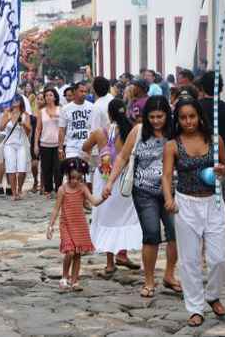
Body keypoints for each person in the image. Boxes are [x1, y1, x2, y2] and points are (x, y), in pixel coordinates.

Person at [162, 98, 225, 327]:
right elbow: (167, 175)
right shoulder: (172, 145)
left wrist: (222, 170)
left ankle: (212, 295)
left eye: (192, 116)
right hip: (186, 204)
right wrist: (169, 199)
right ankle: (195, 307)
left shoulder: (215, 140)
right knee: (189, 260)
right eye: (183, 117)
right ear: (178, 120)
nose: (188, 121)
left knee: (218, 257)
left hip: (214, 203)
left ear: (200, 116)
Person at [104, 96, 179, 298]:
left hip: (171, 190)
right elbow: (122, 157)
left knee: (175, 232)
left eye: (160, 116)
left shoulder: (174, 132)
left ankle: (170, 275)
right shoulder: (138, 131)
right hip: (143, 190)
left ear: (167, 115)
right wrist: (110, 181)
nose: (156, 121)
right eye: (152, 117)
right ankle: (149, 280)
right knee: (151, 233)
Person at [83, 99, 141, 277]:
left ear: (109, 114)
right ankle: (122, 254)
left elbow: (84, 148)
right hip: (125, 178)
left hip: (105, 178)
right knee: (123, 217)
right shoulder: (131, 131)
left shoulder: (100, 132)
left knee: (107, 218)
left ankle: (109, 262)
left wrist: (99, 157)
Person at [46, 157, 105, 291]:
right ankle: (64, 277)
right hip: (66, 224)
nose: (75, 181)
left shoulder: (83, 188)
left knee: (78, 254)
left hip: (79, 224)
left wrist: (104, 196)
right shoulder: (62, 189)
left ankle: (75, 280)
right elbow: (56, 208)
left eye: (79, 178)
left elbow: (94, 202)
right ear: (67, 175)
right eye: (72, 178)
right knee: (70, 252)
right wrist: (50, 226)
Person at [0, 96, 32, 201]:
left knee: (22, 169)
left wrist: (22, 123)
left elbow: (29, 131)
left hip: (21, 144)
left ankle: (19, 189)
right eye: (13, 100)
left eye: (17, 100)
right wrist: (8, 118)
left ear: (21, 102)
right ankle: (14, 193)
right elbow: (0, 128)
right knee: (11, 168)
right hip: (9, 144)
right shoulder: (7, 113)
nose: (15, 102)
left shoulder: (25, 114)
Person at [35, 87, 62, 196]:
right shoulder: (41, 112)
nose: (48, 97)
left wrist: (56, 116)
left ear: (55, 97)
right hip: (45, 143)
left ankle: (58, 189)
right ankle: (48, 189)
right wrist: (35, 145)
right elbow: (38, 129)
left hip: (58, 143)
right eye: (46, 95)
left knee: (58, 168)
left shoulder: (61, 110)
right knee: (46, 168)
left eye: (50, 95)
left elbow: (64, 126)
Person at [58, 82, 93, 163]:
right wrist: (60, 148)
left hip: (87, 147)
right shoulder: (65, 109)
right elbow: (62, 130)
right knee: (73, 172)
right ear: (74, 92)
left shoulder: (92, 107)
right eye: (81, 91)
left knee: (85, 174)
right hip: (72, 148)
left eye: (85, 91)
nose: (84, 94)